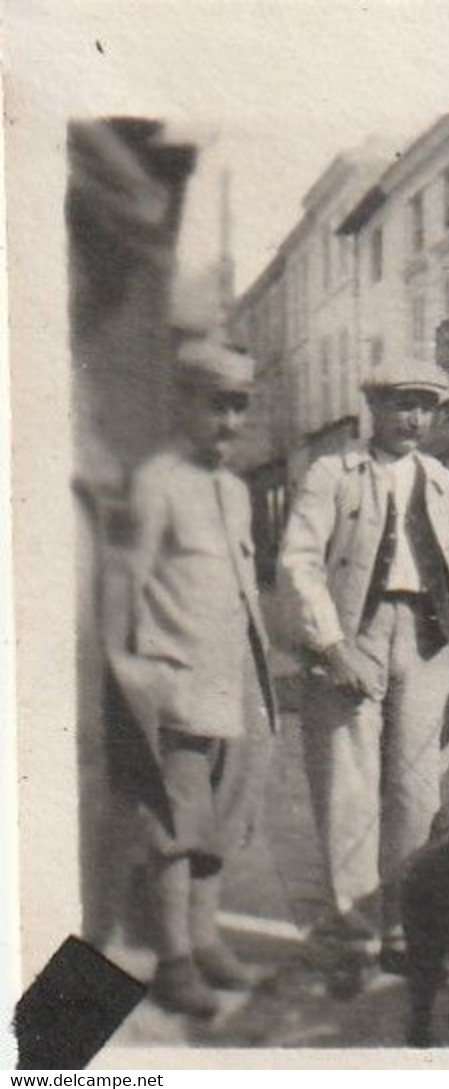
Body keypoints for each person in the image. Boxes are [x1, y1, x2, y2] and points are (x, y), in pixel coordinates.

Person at [278, 356, 449, 993]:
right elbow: (298, 564)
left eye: (426, 406)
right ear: (372, 407)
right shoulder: (334, 474)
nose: (413, 418)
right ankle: (352, 938)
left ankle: (408, 930)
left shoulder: (446, 486)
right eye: (401, 403)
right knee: (349, 791)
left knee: (416, 794)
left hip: (430, 641)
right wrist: (332, 645)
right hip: (356, 635)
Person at [105, 339, 278, 1017]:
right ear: (183, 402)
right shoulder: (158, 482)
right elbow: (127, 579)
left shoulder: (234, 490)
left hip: (235, 677)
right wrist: (130, 674)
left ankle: (205, 936)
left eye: (240, 406)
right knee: (177, 825)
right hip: (176, 678)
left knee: (223, 820)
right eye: (217, 405)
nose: (231, 421)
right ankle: (173, 958)